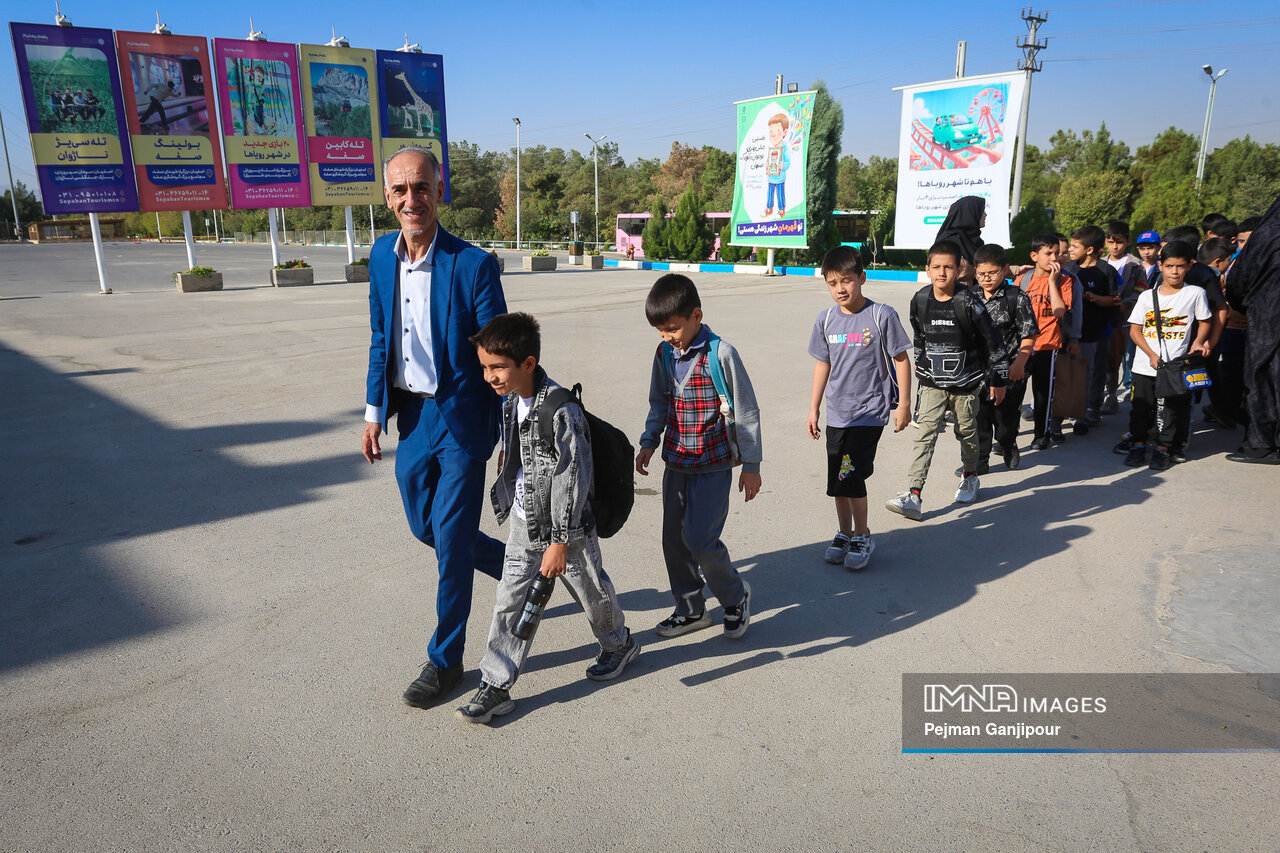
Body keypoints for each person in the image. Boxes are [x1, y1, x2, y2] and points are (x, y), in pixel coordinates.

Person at [362, 146, 509, 708]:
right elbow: (380, 338)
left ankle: (446, 660)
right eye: (400, 189)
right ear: (387, 197)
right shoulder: (382, 256)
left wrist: (516, 425)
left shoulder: (472, 265)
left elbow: (500, 351)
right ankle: (517, 568)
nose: (411, 199)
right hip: (414, 417)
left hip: (463, 420)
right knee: (428, 529)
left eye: (421, 187)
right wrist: (373, 413)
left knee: (450, 544)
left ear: (439, 191)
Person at [456, 313, 639, 724]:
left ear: (528, 363)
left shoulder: (561, 411)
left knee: (592, 592)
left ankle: (618, 644)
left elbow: (573, 478)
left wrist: (559, 540)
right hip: (525, 523)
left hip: (567, 530)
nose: (489, 376)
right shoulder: (510, 401)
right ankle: (496, 684)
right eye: (484, 367)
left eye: (497, 367)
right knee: (510, 600)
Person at [637, 273, 762, 639]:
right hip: (676, 462)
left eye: (673, 328)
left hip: (713, 464)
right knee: (674, 541)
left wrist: (751, 465)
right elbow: (659, 401)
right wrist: (649, 440)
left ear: (696, 315)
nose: (667, 337)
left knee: (700, 539)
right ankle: (691, 609)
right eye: (660, 331)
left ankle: (735, 596)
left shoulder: (721, 354)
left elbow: (747, 410)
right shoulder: (664, 354)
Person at [885, 240, 1006, 522]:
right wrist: (921, 366)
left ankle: (970, 476)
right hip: (931, 383)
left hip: (966, 384)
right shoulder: (920, 299)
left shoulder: (969, 301)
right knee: (925, 434)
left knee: (966, 432)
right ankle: (913, 494)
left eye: (948, 267)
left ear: (959, 269)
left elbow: (994, 340)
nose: (942, 273)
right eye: (937, 267)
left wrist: (998, 379)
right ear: (927, 269)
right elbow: (919, 335)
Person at [807, 246, 912, 571]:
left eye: (847, 280)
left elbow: (901, 359)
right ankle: (844, 533)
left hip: (869, 413)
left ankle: (863, 535)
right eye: (832, 282)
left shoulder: (881, 315)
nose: (840, 288)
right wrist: (813, 408)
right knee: (838, 480)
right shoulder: (826, 320)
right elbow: (822, 364)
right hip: (838, 413)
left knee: (850, 474)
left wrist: (904, 404)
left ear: (862, 278)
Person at [1123, 240, 1212, 469]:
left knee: (1171, 411)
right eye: (1170, 266)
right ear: (1160, 266)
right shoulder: (1147, 296)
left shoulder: (1195, 294)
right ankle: (1138, 446)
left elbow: (1205, 321)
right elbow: (1135, 330)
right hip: (1144, 365)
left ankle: (1163, 449)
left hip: (1175, 366)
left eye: (1180, 266)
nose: (1175, 271)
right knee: (1141, 408)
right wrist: (1150, 354)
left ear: (1189, 266)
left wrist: (1199, 341)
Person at [968, 244, 1037, 472]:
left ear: (1005, 269)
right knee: (979, 418)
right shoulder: (970, 296)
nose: (986, 278)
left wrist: (1019, 364)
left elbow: (1029, 334)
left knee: (1004, 419)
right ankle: (980, 461)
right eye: (981, 274)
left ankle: (1008, 443)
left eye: (992, 272)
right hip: (978, 371)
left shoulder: (1016, 297)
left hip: (1009, 370)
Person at [1224, 197, 1280, 463]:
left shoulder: (1266, 236)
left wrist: (1244, 307)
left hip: (1266, 321)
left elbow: (1238, 281)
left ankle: (1262, 443)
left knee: (1262, 379)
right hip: (1266, 316)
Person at [1017, 234, 1073, 450]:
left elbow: (1060, 312)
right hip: (1023, 345)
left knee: (1042, 393)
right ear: (1034, 256)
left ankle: (1041, 434)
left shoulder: (1064, 280)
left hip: (1048, 344)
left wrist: (1051, 282)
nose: (1054, 258)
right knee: (1015, 391)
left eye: (1057, 253)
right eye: (1048, 253)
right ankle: (1009, 436)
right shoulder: (1024, 279)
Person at [1064, 225, 1120, 428]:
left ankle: (1092, 409)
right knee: (1074, 371)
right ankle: (1074, 407)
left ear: (1089, 249)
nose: (1070, 250)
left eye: (1075, 246)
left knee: (1096, 371)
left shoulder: (1106, 270)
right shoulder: (1070, 268)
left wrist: (1096, 298)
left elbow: (1115, 300)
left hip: (1100, 331)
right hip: (1074, 332)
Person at [933, 195, 986, 267]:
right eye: (982, 211)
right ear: (970, 213)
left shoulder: (976, 242)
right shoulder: (949, 243)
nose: (985, 215)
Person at [764, 113, 791, 219]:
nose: (773, 134)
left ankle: (781, 210)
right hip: (771, 177)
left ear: (785, 132)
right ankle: (769, 208)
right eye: (771, 131)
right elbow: (769, 160)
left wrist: (782, 166)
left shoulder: (784, 148)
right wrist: (767, 165)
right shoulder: (772, 149)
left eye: (777, 130)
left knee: (780, 194)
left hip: (780, 178)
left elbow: (788, 162)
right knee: (770, 194)